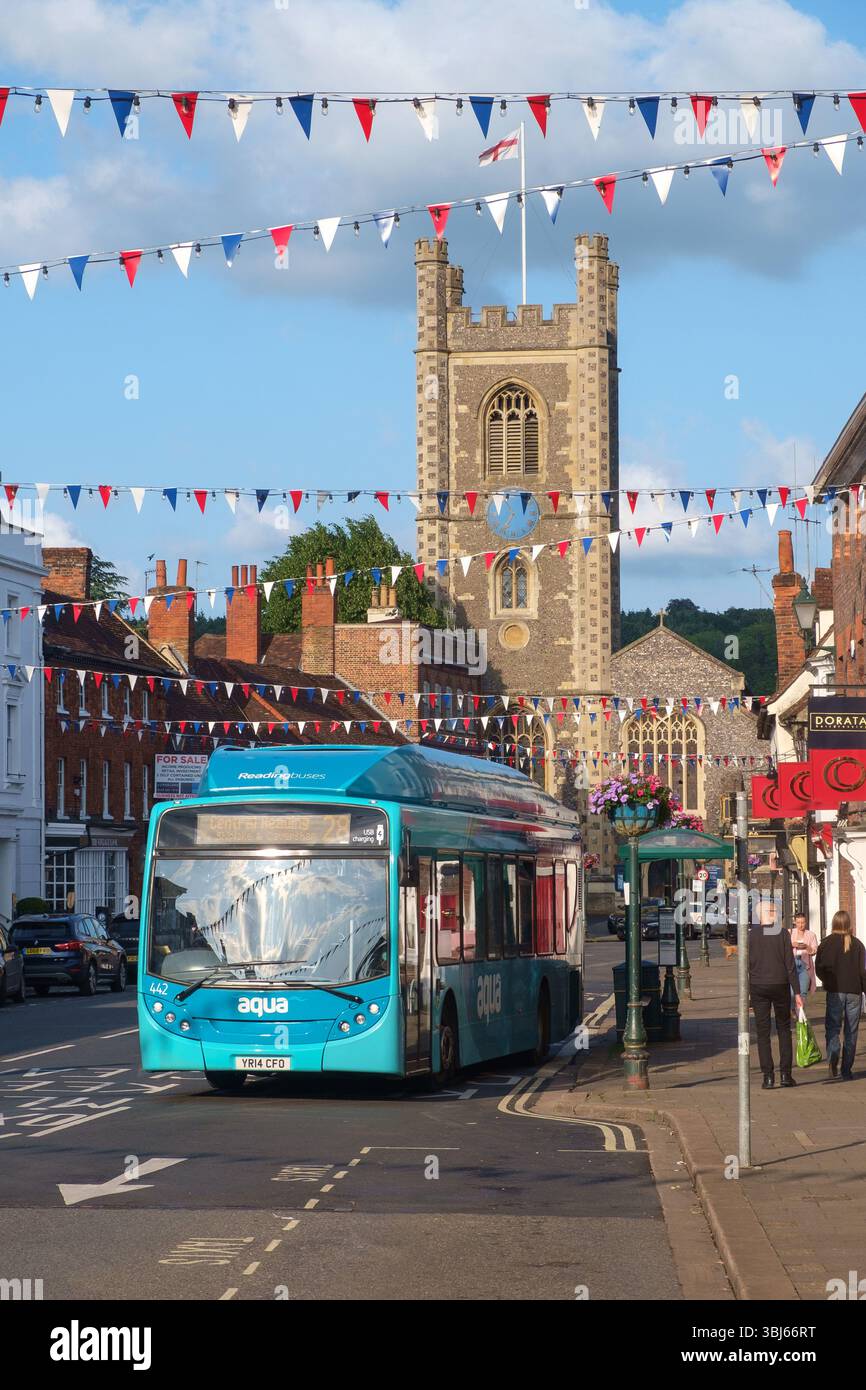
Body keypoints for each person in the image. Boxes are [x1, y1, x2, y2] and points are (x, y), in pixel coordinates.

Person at [749, 897, 803, 1088]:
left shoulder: (751, 936)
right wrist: (797, 993)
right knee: (783, 1029)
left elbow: (747, 966)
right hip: (780, 984)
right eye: (773, 911)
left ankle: (768, 1077)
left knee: (763, 1033)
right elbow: (790, 966)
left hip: (757, 986)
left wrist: (748, 995)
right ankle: (785, 1076)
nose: (776, 914)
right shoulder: (782, 934)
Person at [815, 910, 866, 1081]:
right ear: (849, 924)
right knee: (851, 1031)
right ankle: (846, 1070)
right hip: (854, 992)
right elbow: (863, 971)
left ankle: (833, 1054)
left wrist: (827, 982)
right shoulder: (858, 945)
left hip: (835, 991)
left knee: (833, 1027)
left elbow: (820, 968)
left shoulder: (825, 944)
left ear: (834, 923)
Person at [789, 911, 818, 1006]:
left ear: (806, 922)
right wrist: (792, 945)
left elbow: (814, 950)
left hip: (805, 964)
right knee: (792, 993)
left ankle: (800, 1014)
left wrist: (806, 946)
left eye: (803, 922)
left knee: (803, 992)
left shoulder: (811, 935)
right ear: (795, 922)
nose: (800, 925)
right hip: (792, 963)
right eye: (798, 923)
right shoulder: (790, 933)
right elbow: (783, 948)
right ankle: (792, 1009)